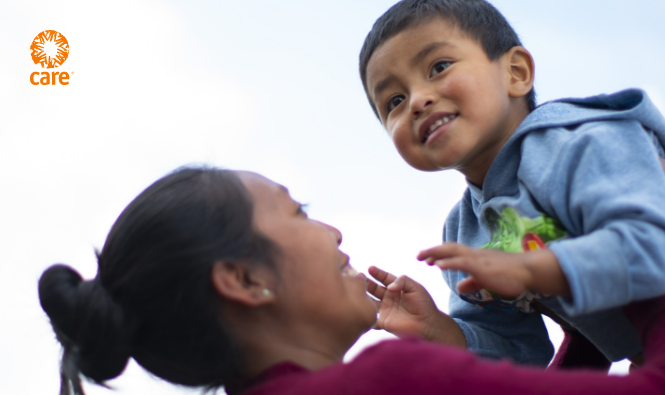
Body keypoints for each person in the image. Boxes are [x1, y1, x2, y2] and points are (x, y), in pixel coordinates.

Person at [39, 167, 665, 395]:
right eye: (298, 211)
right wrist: (624, 258)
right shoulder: (390, 381)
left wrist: (572, 304)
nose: (332, 232)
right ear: (246, 278)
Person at [359, 0, 665, 367]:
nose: (417, 101)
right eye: (394, 100)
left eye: (439, 67)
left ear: (515, 73)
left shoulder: (582, 143)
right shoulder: (463, 233)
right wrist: (439, 331)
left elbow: (653, 245)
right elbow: (520, 357)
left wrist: (532, 269)